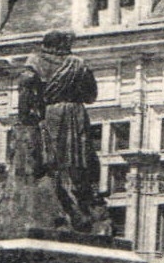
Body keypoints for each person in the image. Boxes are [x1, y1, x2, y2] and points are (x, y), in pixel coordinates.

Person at [14, 30, 106, 234]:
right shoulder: (79, 63)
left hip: (53, 114)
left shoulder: (35, 61)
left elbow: (26, 87)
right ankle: (82, 205)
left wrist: (25, 117)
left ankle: (66, 207)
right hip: (77, 113)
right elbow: (91, 95)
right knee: (79, 161)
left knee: (52, 161)